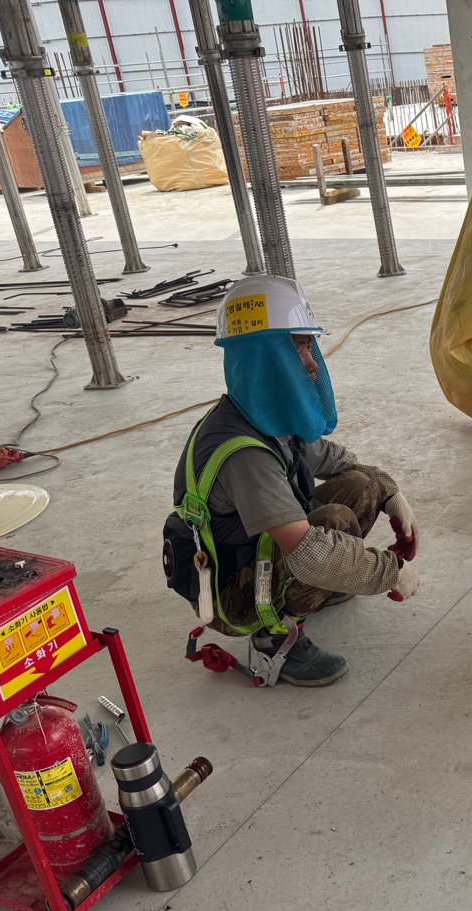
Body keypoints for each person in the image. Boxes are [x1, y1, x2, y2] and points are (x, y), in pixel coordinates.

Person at [164, 276, 420, 688]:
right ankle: (273, 638)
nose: (313, 363)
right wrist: (389, 571)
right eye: (300, 348)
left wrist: (390, 493)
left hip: (257, 553)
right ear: (267, 359)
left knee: (362, 485)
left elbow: (337, 461)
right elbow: (308, 551)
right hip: (233, 593)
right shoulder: (244, 453)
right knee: (333, 523)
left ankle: (321, 586)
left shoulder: (265, 414)